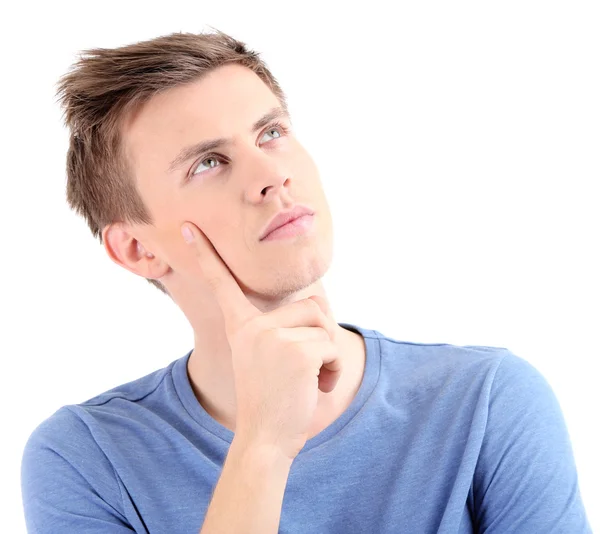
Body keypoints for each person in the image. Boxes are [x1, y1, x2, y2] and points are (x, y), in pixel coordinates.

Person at [21, 29, 592, 534]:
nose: (273, 175)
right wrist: (263, 448)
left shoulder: (488, 400)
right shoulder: (87, 457)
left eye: (270, 133)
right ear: (139, 249)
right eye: (208, 163)